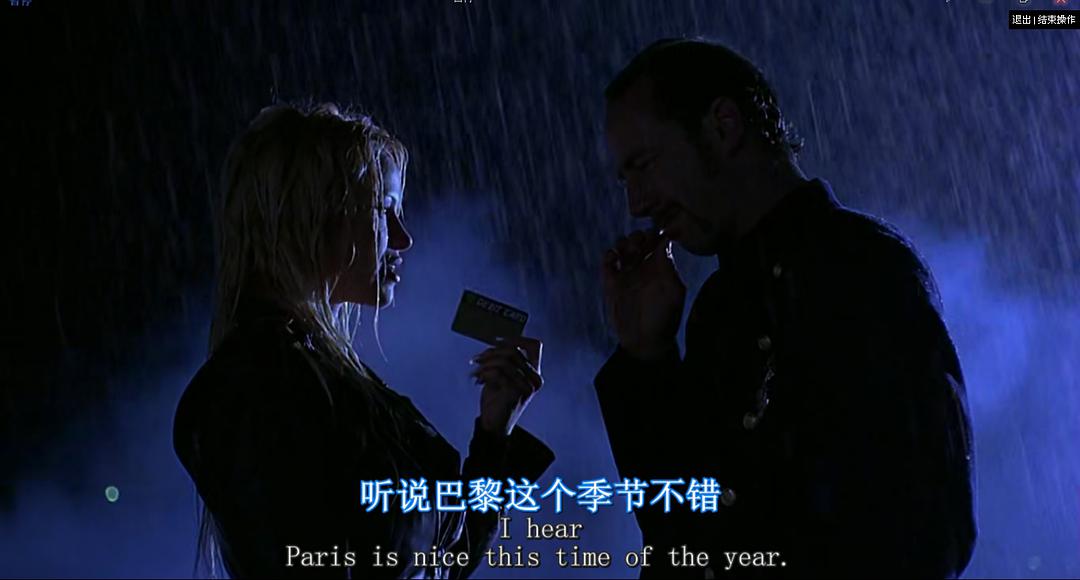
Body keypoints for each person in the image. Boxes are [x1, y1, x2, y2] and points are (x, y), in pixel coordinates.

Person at [594, 38, 976, 578]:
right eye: (625, 179)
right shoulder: (719, 309)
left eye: (644, 164)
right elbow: (681, 537)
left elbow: (924, 531)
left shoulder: (862, 268)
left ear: (723, 126)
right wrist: (645, 358)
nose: (636, 203)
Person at [173, 103, 554, 579]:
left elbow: (436, 562)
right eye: (383, 209)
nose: (403, 238)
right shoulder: (259, 388)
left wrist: (495, 435)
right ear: (311, 214)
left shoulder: (312, 376)